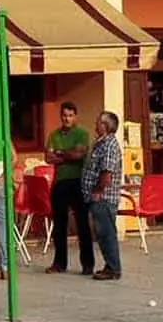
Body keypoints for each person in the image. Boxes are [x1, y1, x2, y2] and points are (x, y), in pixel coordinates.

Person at [43, 101, 94, 275]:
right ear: (61, 116)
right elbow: (48, 158)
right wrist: (67, 154)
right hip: (60, 182)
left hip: (78, 181)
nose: (67, 119)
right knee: (59, 224)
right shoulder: (54, 135)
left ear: (75, 116)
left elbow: (79, 155)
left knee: (82, 224)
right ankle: (59, 263)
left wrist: (59, 153)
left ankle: (87, 264)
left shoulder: (82, 133)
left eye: (70, 115)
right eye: (64, 115)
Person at [81, 110, 125, 282]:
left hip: (104, 198)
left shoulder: (109, 146)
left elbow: (107, 173)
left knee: (106, 233)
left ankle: (113, 268)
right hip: (97, 197)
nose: (95, 125)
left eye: (98, 122)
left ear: (105, 126)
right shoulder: (100, 143)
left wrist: (98, 191)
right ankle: (109, 265)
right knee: (101, 233)